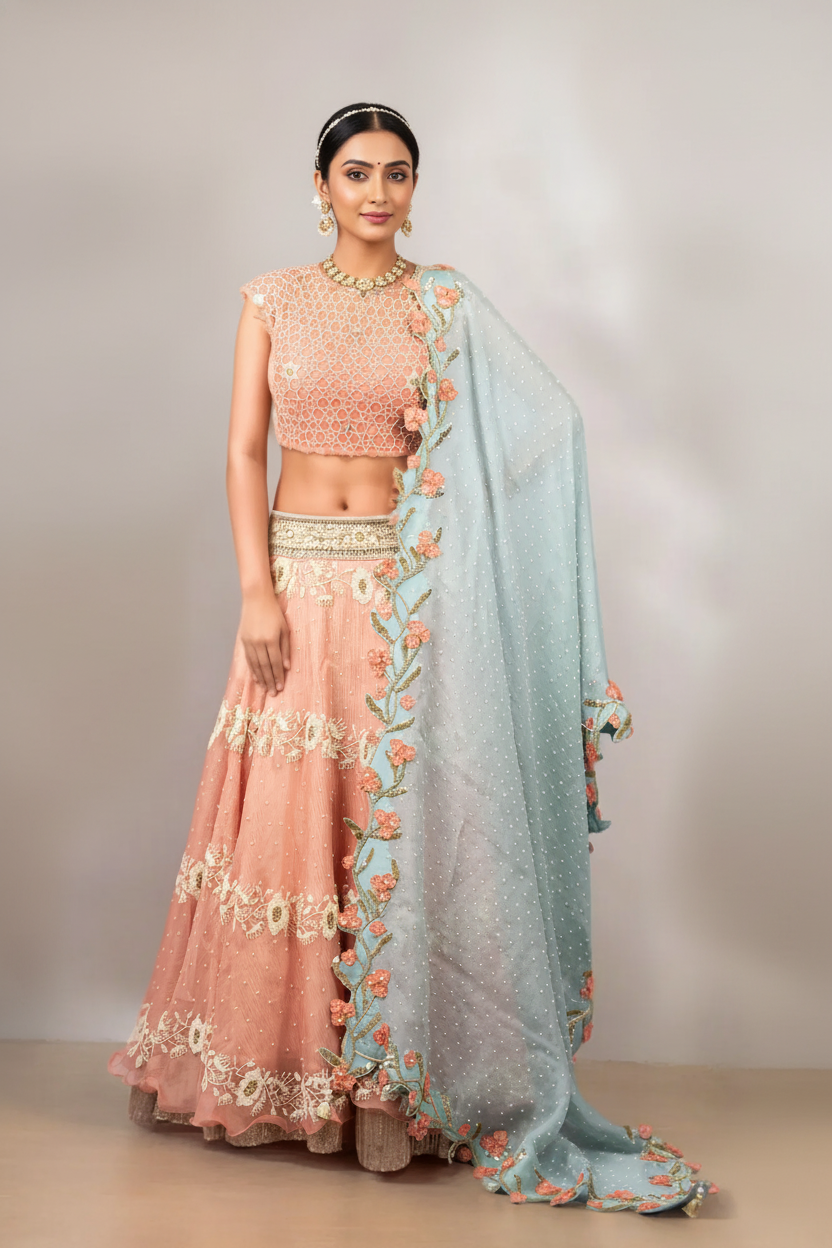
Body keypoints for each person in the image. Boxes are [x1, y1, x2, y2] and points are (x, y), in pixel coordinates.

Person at [109, 102, 714, 1216]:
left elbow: (547, 426)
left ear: (414, 187)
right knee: (285, 823)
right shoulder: (271, 299)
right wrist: (256, 590)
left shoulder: (443, 305)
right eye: (356, 173)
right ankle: (274, 1076)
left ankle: (388, 1093)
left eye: (396, 173)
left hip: (404, 596)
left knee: (397, 828)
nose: (377, 193)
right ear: (321, 185)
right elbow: (244, 450)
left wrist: (469, 535)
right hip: (296, 582)